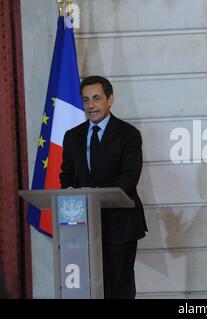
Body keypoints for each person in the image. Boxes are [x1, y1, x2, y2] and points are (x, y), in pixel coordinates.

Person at [60, 75, 148, 299]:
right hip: (84, 226)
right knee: (90, 289)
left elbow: (129, 178)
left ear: (110, 100)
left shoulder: (129, 134)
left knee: (119, 288)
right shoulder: (72, 137)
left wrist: (94, 194)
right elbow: (67, 175)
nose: (90, 105)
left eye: (96, 98)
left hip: (121, 223)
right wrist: (71, 194)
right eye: (86, 99)